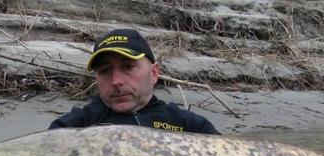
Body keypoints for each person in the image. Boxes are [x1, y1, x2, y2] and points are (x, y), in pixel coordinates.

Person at [49, 28, 220, 134]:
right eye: (105, 70)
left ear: (154, 73)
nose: (116, 81)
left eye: (128, 67)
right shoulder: (71, 127)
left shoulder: (192, 127)